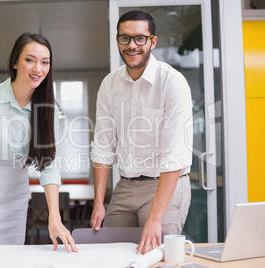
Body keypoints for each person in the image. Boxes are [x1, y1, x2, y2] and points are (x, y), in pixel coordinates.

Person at [0, 32, 78, 253]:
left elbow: (49, 166)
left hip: (17, 196)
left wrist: (54, 218)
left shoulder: (50, 108)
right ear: (15, 62)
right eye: (30, 60)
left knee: (12, 256)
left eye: (45, 62)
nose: (38, 69)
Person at [90, 10, 193, 255]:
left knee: (156, 256)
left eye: (140, 38)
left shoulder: (172, 82)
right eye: (125, 38)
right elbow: (103, 145)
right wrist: (98, 202)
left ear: (152, 41)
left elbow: (174, 154)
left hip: (164, 183)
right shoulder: (110, 84)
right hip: (124, 186)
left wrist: (155, 218)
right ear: (117, 41)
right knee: (111, 254)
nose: (132, 45)